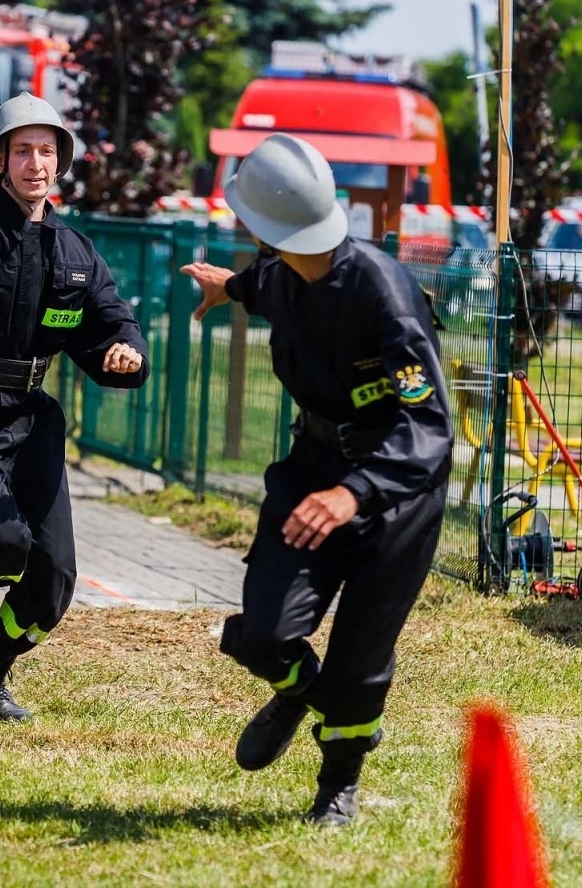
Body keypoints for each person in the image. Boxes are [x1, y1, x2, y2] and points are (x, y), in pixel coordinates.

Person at [178, 133, 452, 829]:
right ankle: (299, 692)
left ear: (264, 221)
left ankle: (338, 787)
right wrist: (224, 286)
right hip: (312, 469)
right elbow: (259, 286)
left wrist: (352, 492)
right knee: (264, 633)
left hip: (395, 491)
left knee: (362, 655)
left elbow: (429, 426)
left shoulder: (382, 292)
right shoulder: (280, 272)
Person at [0, 94, 147, 720]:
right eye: (23, 150)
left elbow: (112, 322)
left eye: (47, 151)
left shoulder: (76, 253)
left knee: (51, 582)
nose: (36, 163)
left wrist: (125, 352)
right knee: (2, 544)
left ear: (60, 163)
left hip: (29, 418)